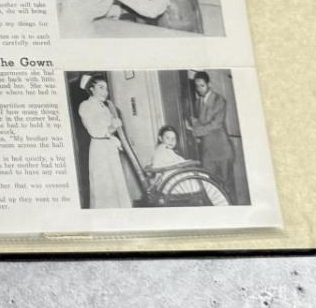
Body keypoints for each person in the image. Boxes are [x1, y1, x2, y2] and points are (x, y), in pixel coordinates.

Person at [76, 75, 134, 209]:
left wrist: (117, 135)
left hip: (109, 147)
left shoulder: (105, 106)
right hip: (99, 149)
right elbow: (95, 130)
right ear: (91, 89)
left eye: (106, 88)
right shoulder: (86, 106)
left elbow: (111, 129)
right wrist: (112, 127)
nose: (105, 92)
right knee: (104, 185)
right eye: (101, 88)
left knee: (116, 183)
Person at [147, 125, 229, 204]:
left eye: (173, 138)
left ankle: (217, 201)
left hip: (169, 181)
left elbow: (169, 163)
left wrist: (186, 162)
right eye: (167, 138)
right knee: (206, 182)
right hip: (172, 183)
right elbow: (171, 164)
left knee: (205, 180)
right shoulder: (163, 149)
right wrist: (189, 162)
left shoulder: (162, 150)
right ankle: (222, 204)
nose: (171, 141)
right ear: (160, 138)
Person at [185, 71, 237, 196]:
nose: (199, 89)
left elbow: (216, 124)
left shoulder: (219, 100)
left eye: (202, 85)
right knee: (211, 186)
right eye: (197, 86)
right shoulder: (198, 102)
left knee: (227, 187)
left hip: (222, 150)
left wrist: (195, 130)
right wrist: (193, 123)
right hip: (207, 151)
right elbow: (203, 121)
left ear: (209, 84)